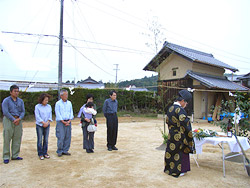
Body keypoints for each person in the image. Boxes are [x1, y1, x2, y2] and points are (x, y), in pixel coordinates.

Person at [164, 89, 195, 177]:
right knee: (181, 153)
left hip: (171, 134)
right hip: (180, 135)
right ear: (182, 101)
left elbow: (167, 121)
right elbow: (185, 124)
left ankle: (170, 169)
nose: (186, 104)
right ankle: (180, 171)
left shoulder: (170, 108)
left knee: (171, 152)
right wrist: (189, 135)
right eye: (186, 102)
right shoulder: (180, 110)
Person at [2, 85, 25, 164]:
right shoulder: (6, 101)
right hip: (9, 120)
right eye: (15, 91)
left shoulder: (20, 101)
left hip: (18, 120)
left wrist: (19, 118)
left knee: (17, 138)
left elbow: (23, 111)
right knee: (7, 138)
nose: (16, 93)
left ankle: (15, 155)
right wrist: (13, 119)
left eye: (17, 91)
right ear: (11, 92)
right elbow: (5, 112)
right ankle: (6, 156)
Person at [55, 89, 74, 157]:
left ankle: (65, 150)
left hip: (68, 121)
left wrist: (69, 120)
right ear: (61, 95)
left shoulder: (69, 103)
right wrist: (63, 121)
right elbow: (58, 113)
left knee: (68, 136)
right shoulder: (58, 103)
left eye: (67, 94)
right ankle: (59, 150)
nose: (66, 96)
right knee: (61, 136)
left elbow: (71, 112)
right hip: (61, 122)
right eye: (65, 95)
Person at [34, 93, 52, 160]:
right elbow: (37, 116)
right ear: (42, 100)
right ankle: (40, 154)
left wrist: (47, 122)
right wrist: (43, 122)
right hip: (40, 125)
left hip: (47, 124)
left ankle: (45, 153)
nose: (46, 101)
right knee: (40, 139)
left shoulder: (49, 106)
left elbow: (50, 116)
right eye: (45, 100)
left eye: (47, 100)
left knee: (46, 139)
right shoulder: (37, 106)